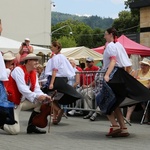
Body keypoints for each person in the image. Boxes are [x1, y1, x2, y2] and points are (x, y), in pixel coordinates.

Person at [96, 27, 150, 137]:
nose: (104, 36)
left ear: (111, 34)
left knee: (101, 100)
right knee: (114, 102)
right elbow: (125, 63)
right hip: (118, 74)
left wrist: (106, 75)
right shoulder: (118, 45)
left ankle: (115, 125)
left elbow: (113, 60)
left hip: (112, 73)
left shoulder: (110, 45)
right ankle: (123, 128)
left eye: (105, 34)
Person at [0, 53, 55, 135]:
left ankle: (31, 126)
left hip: (22, 101)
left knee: (41, 102)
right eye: (35, 60)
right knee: (14, 131)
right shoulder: (18, 70)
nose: (37, 62)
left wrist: (45, 97)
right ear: (28, 61)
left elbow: (36, 89)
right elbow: (22, 89)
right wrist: (38, 96)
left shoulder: (34, 73)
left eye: (37, 60)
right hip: (13, 103)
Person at [45, 41, 82, 124]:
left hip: (56, 79)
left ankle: (58, 110)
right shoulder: (62, 57)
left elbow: (55, 70)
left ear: (57, 48)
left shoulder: (56, 58)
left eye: (52, 47)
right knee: (55, 98)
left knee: (48, 97)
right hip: (63, 79)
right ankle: (55, 118)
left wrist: (51, 83)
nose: (51, 48)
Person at [125, 58, 150, 123]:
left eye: (144, 65)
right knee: (132, 100)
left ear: (148, 66)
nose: (142, 66)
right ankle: (127, 118)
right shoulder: (138, 71)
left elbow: (149, 85)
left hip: (146, 90)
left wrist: (144, 89)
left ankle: (146, 117)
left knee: (143, 101)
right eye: (142, 65)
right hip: (137, 89)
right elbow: (134, 81)